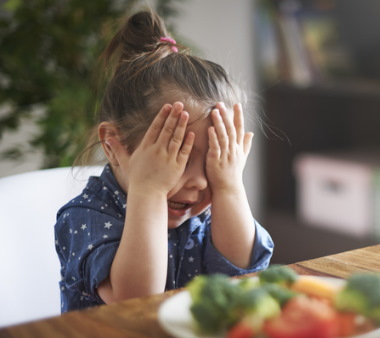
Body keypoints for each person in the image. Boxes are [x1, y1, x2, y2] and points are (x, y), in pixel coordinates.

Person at [54, 10, 274, 312]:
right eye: (178, 160)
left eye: (213, 162)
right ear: (113, 145)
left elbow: (245, 271)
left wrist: (229, 187)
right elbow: (135, 300)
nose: (199, 181)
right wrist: (150, 191)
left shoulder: (210, 206)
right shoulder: (86, 216)